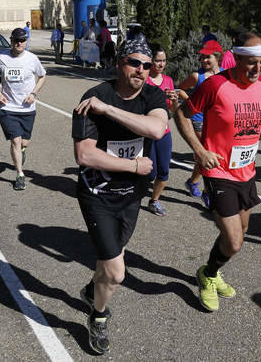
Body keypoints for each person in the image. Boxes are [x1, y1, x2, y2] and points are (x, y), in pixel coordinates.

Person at [175, 31, 261, 312]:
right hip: (218, 172)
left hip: (246, 172)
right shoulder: (215, 85)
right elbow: (181, 113)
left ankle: (212, 269)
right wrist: (200, 151)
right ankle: (208, 275)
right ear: (236, 58)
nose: (257, 69)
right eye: (251, 62)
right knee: (235, 241)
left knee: (242, 230)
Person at [72, 38, 168, 354]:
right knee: (116, 271)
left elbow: (157, 129)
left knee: (110, 261)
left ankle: (92, 290)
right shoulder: (93, 97)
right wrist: (133, 165)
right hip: (97, 195)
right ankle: (98, 316)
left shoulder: (151, 95)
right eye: (134, 62)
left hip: (131, 195)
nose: (141, 69)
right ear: (118, 63)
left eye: (146, 65)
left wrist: (110, 111)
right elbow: (85, 155)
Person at [0, 28, 47, 191]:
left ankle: (22, 150)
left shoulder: (32, 59)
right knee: (15, 140)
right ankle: (20, 174)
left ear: (26, 41)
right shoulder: (1, 58)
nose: (19, 43)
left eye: (22, 40)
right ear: (11, 41)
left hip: (27, 108)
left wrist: (34, 93)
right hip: (8, 108)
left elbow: (42, 76)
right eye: (16, 40)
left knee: (24, 142)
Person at [177, 39, 223, 201]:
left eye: (207, 57)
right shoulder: (197, 76)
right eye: (202, 57)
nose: (204, 60)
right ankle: (207, 192)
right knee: (207, 153)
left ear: (218, 57)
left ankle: (192, 182)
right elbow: (180, 88)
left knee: (206, 155)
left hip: (217, 122)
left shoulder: (225, 74)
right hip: (199, 120)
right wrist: (192, 102)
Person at [144, 44, 181, 216]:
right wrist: (159, 96)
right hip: (147, 132)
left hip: (164, 132)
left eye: (164, 60)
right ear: (150, 61)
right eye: (157, 60)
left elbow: (172, 110)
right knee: (150, 173)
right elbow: (140, 106)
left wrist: (174, 100)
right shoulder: (144, 79)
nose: (161, 64)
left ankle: (154, 201)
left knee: (164, 171)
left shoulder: (168, 80)